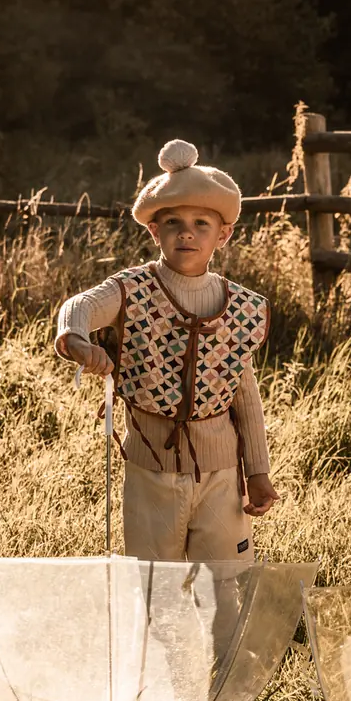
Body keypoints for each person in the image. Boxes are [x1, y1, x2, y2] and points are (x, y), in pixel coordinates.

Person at [55, 139, 279, 562]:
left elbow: (245, 397)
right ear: (154, 230)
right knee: (155, 582)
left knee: (226, 581)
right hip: (150, 469)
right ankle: (160, 633)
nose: (187, 232)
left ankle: (221, 633)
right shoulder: (132, 289)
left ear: (224, 235)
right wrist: (75, 338)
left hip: (222, 472)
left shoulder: (242, 306)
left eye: (201, 223)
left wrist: (258, 472)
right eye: (173, 222)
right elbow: (80, 306)